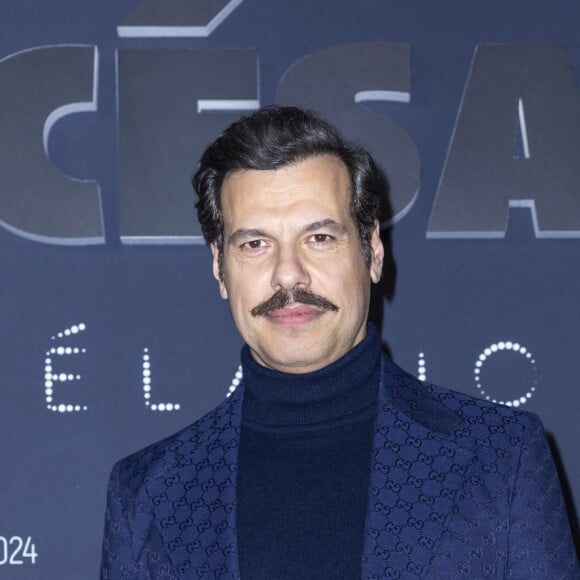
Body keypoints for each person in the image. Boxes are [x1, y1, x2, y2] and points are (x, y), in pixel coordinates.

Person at [101, 106, 578, 579]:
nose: (288, 273)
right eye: (255, 245)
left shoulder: (502, 457)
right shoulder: (148, 492)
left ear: (372, 251)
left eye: (320, 237)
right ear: (219, 268)